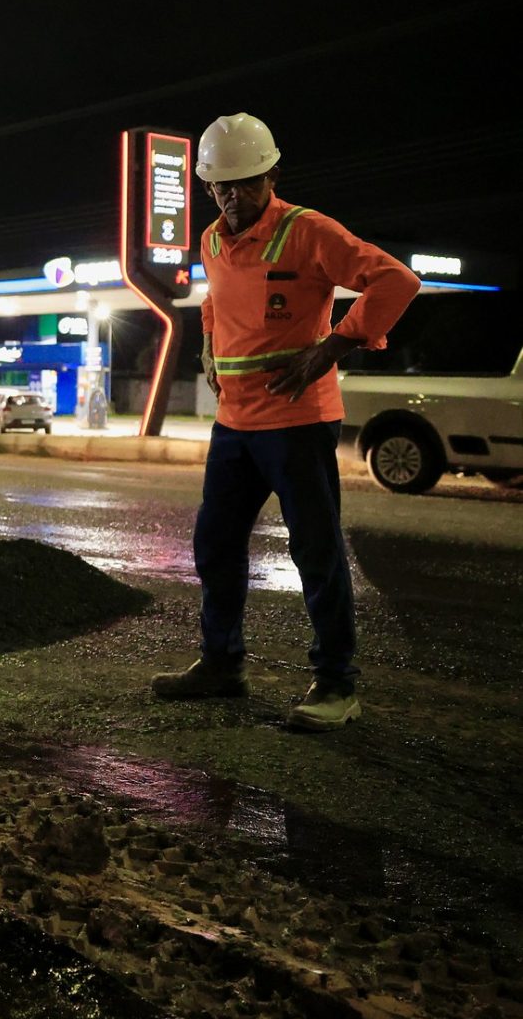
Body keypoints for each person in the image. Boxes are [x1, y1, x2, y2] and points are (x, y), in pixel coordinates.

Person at [152, 114, 420, 730]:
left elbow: (396, 281)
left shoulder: (309, 232)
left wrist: (331, 348)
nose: (234, 196)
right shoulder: (212, 241)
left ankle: (336, 685)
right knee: (214, 545)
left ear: (272, 174)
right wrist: (207, 349)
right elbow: (216, 299)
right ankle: (221, 664)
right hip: (234, 424)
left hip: (299, 423)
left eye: (247, 182)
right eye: (222, 185)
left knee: (316, 552)